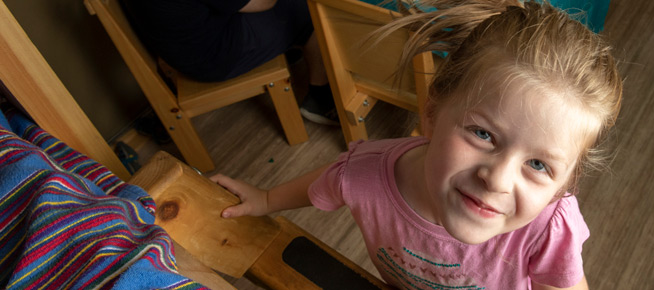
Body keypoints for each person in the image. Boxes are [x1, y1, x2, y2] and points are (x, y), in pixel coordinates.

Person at [210, 0, 623, 288]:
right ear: (431, 113)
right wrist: (266, 200)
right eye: (483, 134)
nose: (496, 179)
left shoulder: (549, 226)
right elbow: (335, 179)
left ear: (565, 186)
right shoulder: (367, 172)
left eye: (539, 165)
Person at [123, 0, 339, 125]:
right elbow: (264, 1)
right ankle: (319, 98)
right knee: (311, 8)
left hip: (180, 44)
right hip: (212, 57)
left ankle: (289, 45)